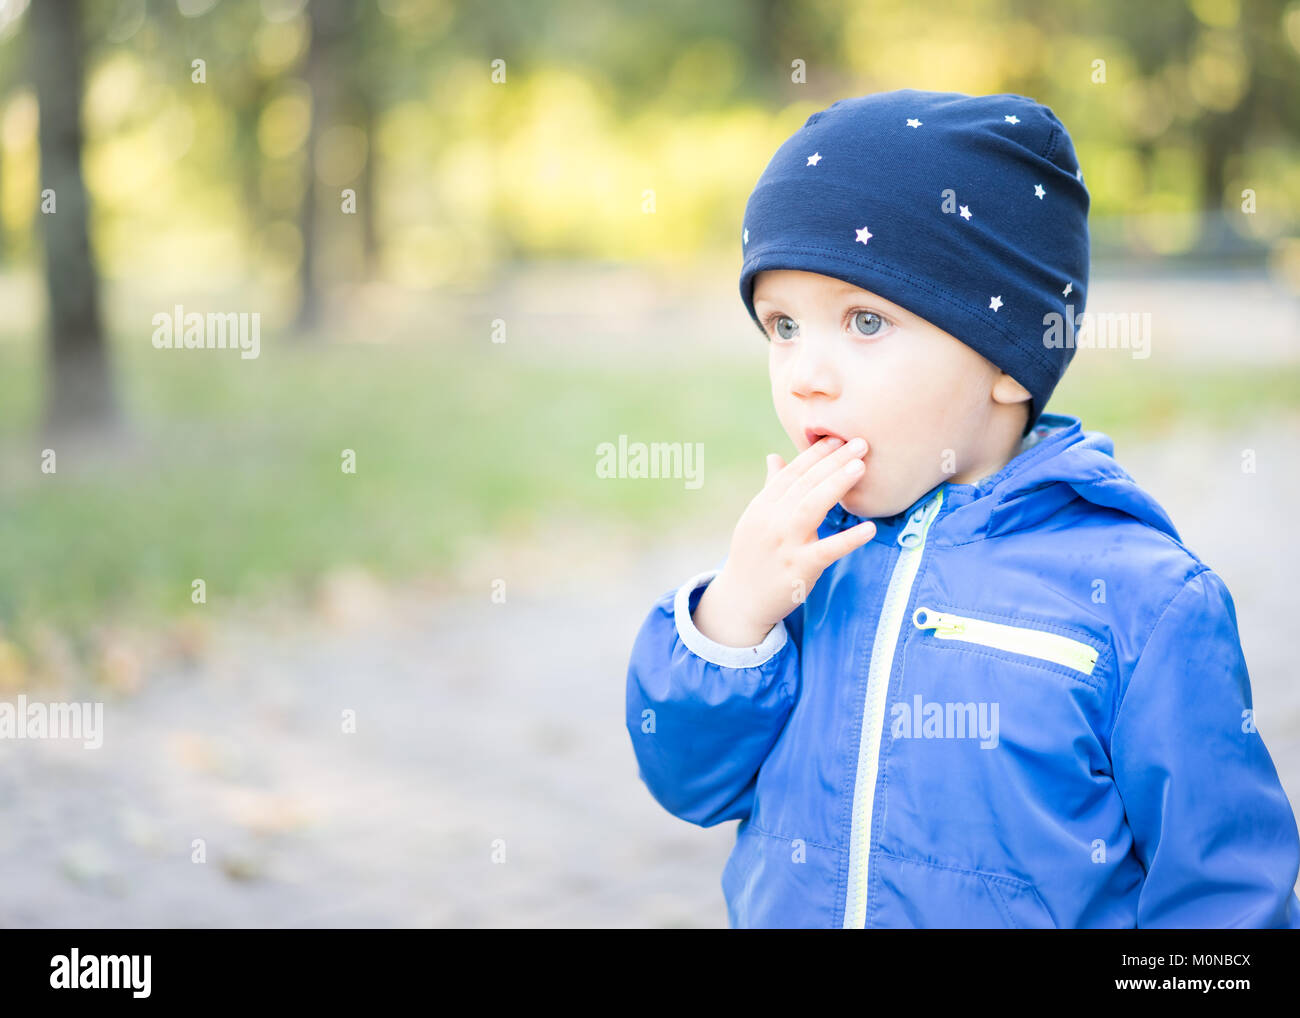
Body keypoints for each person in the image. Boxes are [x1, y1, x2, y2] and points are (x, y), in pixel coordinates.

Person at [624, 88, 1300, 928]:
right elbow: (688, 779)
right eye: (783, 326)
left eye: (864, 321)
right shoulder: (801, 567)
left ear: (1010, 360)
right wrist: (733, 618)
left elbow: (1227, 892)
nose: (804, 373)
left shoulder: (1145, 601)